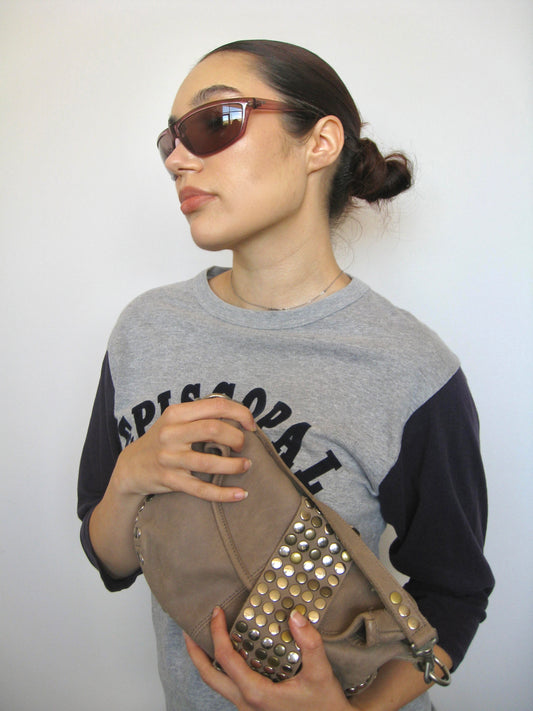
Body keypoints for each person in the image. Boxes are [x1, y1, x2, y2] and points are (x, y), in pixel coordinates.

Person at [78, 39, 494, 711]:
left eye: (215, 122)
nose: (178, 159)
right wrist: (129, 477)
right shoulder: (144, 330)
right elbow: (113, 560)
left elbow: (455, 594)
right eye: (170, 140)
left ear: (319, 143)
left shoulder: (409, 367)